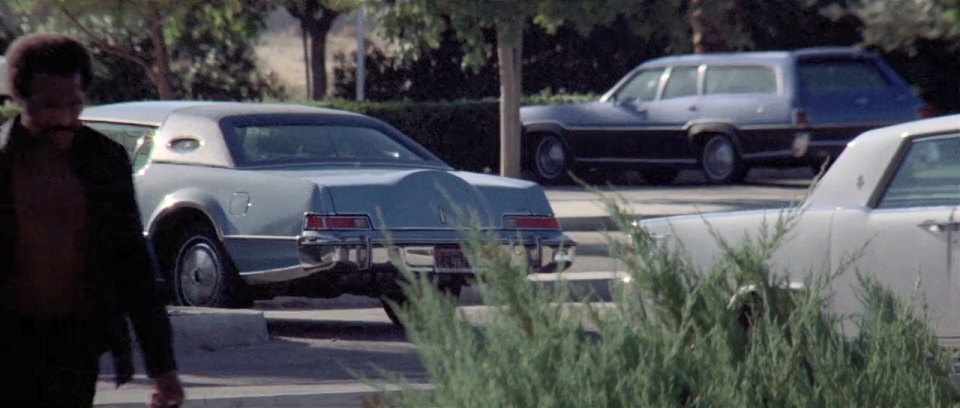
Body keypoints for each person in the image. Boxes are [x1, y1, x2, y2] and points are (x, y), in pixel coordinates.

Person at [0, 33, 184, 407]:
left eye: (75, 105)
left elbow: (133, 265)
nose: (65, 119)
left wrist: (162, 368)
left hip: (75, 346)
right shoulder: (3, 163)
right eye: (50, 106)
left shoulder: (105, 161)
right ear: (19, 98)